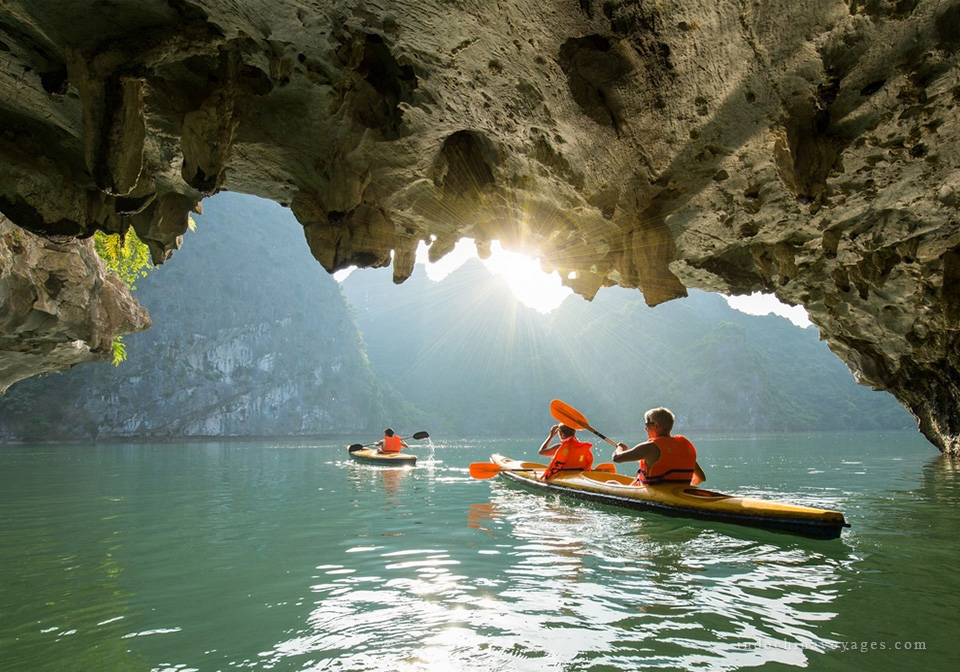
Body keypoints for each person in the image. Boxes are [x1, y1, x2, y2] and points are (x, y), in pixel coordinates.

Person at [612, 407, 706, 486]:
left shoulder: (649, 448)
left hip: (652, 495)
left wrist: (620, 447)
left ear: (656, 426)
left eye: (647, 424)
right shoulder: (684, 448)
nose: (645, 429)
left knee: (610, 482)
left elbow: (617, 458)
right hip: (677, 495)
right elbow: (701, 477)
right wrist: (681, 491)